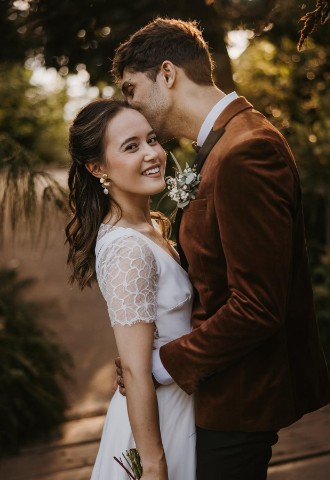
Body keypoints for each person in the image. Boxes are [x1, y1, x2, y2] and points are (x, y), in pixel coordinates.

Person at [112, 17, 330, 480]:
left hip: (238, 402)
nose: (129, 108)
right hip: (218, 392)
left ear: (167, 74)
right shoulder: (221, 146)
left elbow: (258, 306)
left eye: (131, 90)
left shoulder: (247, 151)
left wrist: (163, 364)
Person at [65, 99, 196, 480]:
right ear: (97, 168)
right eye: (131, 146)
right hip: (160, 423)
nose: (153, 153)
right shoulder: (126, 247)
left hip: (184, 404)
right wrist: (153, 464)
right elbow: (137, 371)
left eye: (152, 140)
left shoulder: (152, 226)